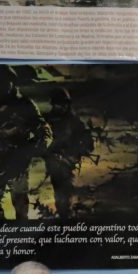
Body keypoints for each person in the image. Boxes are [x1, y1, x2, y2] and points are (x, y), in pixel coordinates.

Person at [0, 65, 52, 221]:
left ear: (13, 82)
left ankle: (20, 232)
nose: (3, 86)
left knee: (20, 202)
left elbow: (44, 130)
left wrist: (31, 149)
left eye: (6, 82)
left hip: (18, 160)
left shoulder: (24, 104)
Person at [43, 87, 94, 221]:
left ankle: (66, 218)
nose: (60, 107)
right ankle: (64, 216)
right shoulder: (48, 120)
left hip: (67, 164)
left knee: (64, 195)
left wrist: (72, 153)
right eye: (57, 104)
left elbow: (88, 143)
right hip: (53, 164)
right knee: (59, 194)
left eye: (62, 104)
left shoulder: (73, 121)